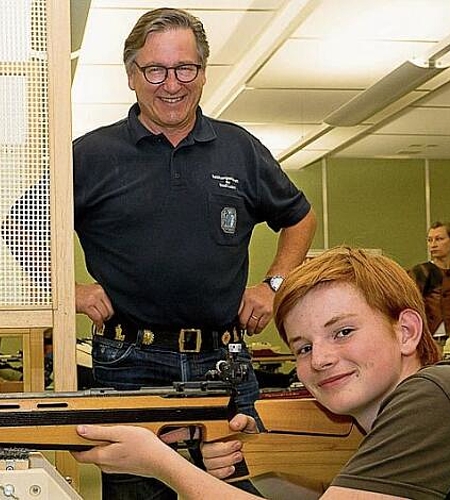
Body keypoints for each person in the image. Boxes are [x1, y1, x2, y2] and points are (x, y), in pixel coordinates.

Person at [72, 247, 450, 499]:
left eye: (342, 331)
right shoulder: (386, 411)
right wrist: (262, 446)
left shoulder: (438, 392)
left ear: (408, 331)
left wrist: (162, 464)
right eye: (301, 346)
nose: (318, 358)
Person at [70, 7, 316, 498]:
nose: (172, 84)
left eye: (186, 69)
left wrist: (273, 286)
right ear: (131, 76)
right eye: (155, 70)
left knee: (233, 492)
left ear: (203, 73)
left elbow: (300, 217)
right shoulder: (91, 155)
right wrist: (68, 292)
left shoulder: (239, 148)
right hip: (129, 362)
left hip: (223, 360)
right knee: (137, 491)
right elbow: (20, 229)